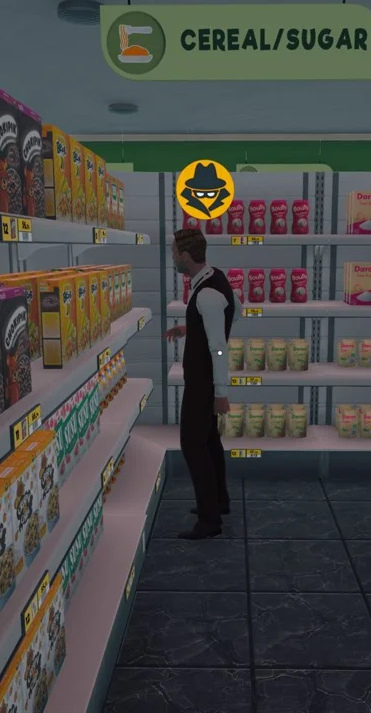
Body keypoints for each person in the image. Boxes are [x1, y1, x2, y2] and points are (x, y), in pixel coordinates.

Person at [164, 228, 234, 539]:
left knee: (192, 445)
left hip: (202, 383)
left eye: (174, 253)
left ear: (186, 256)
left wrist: (221, 392)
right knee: (209, 442)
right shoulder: (214, 277)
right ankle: (220, 501)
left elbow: (218, 346)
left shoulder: (206, 294)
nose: (173, 258)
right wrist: (188, 328)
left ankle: (209, 520)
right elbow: (232, 313)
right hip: (204, 381)